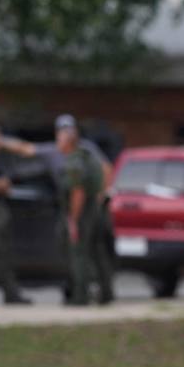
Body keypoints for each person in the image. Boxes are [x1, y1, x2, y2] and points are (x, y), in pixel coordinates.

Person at [51, 116, 111, 306]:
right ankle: (106, 292)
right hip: (94, 209)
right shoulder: (88, 156)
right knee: (96, 252)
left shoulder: (74, 162)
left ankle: (80, 296)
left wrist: (74, 220)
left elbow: (77, 192)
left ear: (68, 142)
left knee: (79, 255)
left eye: (59, 140)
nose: (57, 144)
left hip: (82, 212)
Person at [0, 124, 30, 305]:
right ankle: (11, 293)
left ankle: (11, 293)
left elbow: (5, 185)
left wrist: (1, 184)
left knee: (0, 252)